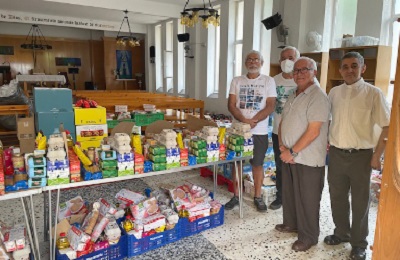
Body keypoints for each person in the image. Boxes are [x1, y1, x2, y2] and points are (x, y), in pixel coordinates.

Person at [324, 52, 390, 260]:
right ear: (341, 70)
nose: (349, 70)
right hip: (336, 154)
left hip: (362, 156)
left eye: (354, 66)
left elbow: (387, 126)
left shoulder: (373, 93)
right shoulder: (334, 92)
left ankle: (359, 243)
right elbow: (327, 120)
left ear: (363, 68)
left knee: (361, 201)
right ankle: (341, 232)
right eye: (345, 66)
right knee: (337, 196)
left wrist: (377, 156)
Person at [275, 57, 329, 252]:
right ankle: (291, 223)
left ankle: (309, 236)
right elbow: (283, 122)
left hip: (307, 158)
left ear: (314, 72)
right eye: (296, 70)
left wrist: (292, 151)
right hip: (289, 154)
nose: (299, 73)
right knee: (290, 193)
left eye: (304, 69)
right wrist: (282, 145)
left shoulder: (318, 96)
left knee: (308, 198)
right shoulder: (293, 94)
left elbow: (313, 131)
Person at [225, 50, 277, 212]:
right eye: (249, 59)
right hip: (239, 131)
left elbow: (270, 105)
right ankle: (236, 195)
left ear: (261, 63)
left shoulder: (268, 81)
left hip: (259, 131)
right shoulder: (237, 80)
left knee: (257, 164)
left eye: (256, 59)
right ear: (245, 63)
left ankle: (258, 196)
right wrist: (244, 121)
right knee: (237, 163)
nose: (253, 62)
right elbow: (231, 104)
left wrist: (254, 121)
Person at [269, 46, 300, 210]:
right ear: (279, 61)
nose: (287, 61)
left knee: (298, 166)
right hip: (277, 132)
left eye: (291, 57)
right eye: (283, 58)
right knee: (280, 166)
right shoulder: (273, 81)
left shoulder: (304, 80)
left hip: (299, 134)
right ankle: (280, 197)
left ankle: (296, 198)